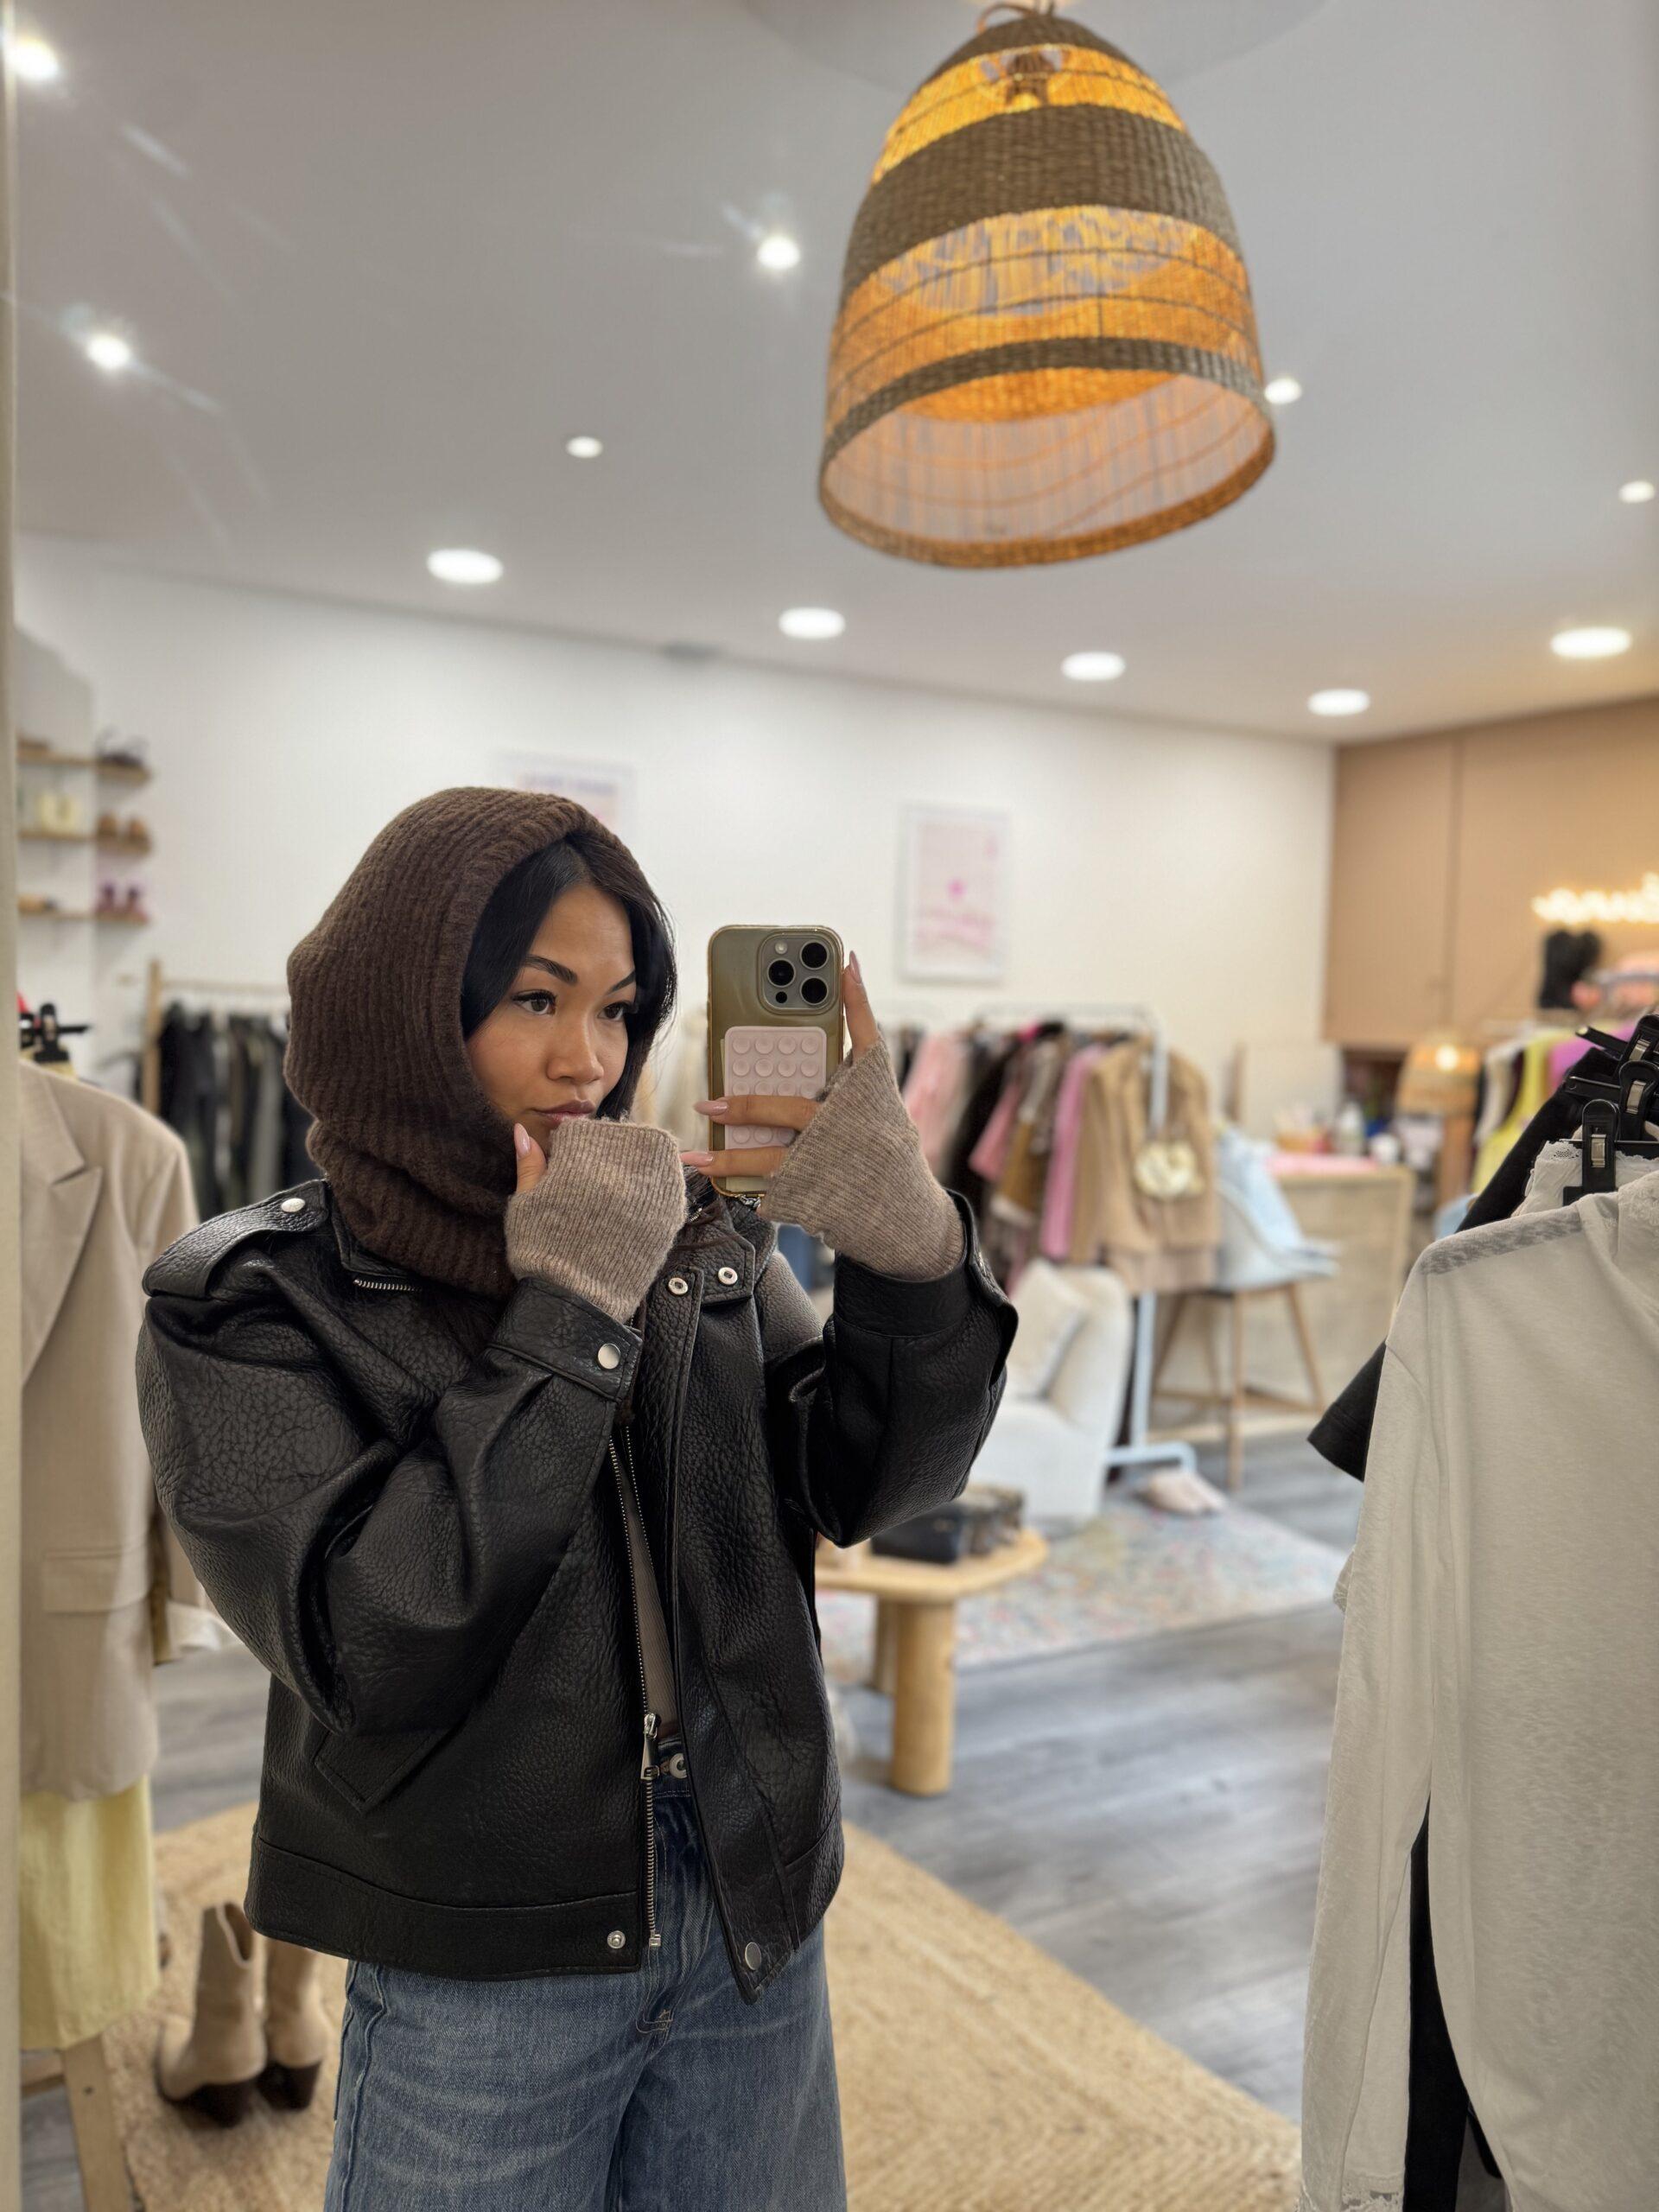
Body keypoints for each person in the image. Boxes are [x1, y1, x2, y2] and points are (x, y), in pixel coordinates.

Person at [136, 786, 1017, 2211]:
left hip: (748, 1887)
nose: (588, 1060)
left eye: (617, 1010)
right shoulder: (253, 1302)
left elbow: (871, 1484)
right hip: (483, 1936)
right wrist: (572, 1310)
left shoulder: (686, 1232)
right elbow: (371, 1643)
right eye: (536, 999)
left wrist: (912, 1251)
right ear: (404, 1011)